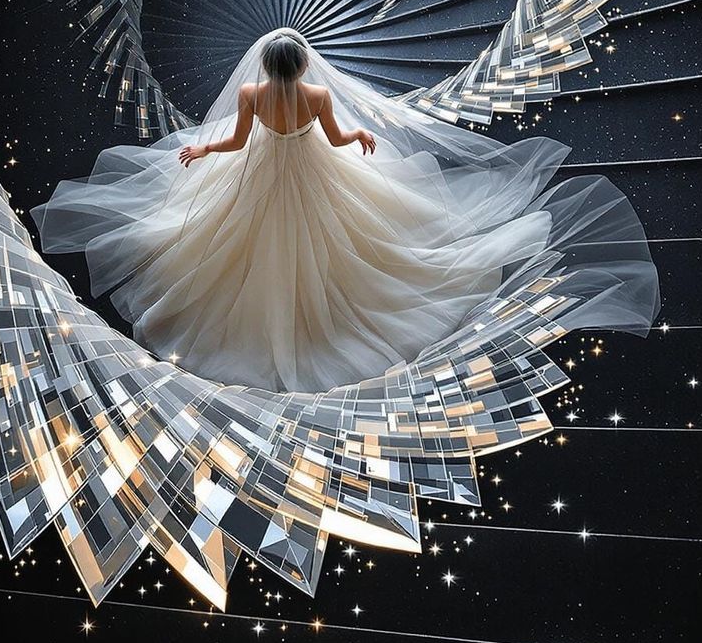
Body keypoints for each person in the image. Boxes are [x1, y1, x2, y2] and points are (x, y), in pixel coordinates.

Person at [34, 28, 658, 393]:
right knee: (348, 240)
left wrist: (202, 148)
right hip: (309, 172)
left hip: (260, 174)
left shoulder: (251, 93)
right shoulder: (316, 93)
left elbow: (235, 141)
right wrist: (358, 141)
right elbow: (333, 140)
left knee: (240, 242)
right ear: (303, 65)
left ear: (260, 67)